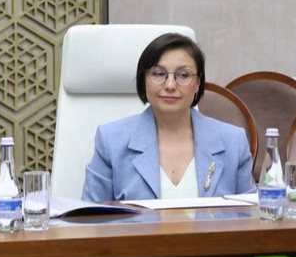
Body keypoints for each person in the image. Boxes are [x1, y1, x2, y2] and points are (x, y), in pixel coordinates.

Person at [81, 32, 255, 202]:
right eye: (158, 74)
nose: (170, 85)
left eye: (183, 75)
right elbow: (90, 216)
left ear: (198, 83)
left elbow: (252, 215)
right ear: (144, 80)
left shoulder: (233, 142)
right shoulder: (111, 141)